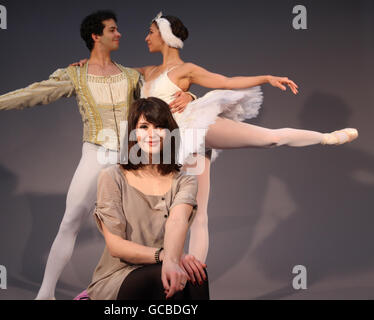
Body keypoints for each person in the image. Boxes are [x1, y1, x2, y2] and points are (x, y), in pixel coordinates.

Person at [72, 12, 358, 267]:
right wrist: (90, 62)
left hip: (194, 125)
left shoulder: (185, 69)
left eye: (151, 32)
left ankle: (326, 137)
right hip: (176, 139)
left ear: (166, 36)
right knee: (197, 212)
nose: (146, 37)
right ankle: (193, 276)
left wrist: (266, 77)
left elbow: (226, 81)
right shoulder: (146, 71)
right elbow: (114, 73)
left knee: (269, 139)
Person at [0, 10, 195, 300]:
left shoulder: (130, 75)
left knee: (138, 228)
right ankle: (46, 295)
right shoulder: (75, 74)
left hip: (131, 160)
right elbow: (32, 93)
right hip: (96, 154)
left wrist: (190, 96)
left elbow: (159, 101)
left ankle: (123, 288)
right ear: (95, 36)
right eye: (112, 29)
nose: (119, 34)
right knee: (70, 222)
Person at [86, 97, 209, 300]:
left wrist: (173, 260)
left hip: (165, 264)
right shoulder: (112, 177)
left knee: (196, 275)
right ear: (133, 133)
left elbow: (177, 221)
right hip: (118, 276)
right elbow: (116, 246)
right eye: (144, 126)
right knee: (163, 277)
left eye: (159, 126)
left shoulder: (185, 181)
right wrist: (167, 258)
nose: (151, 134)